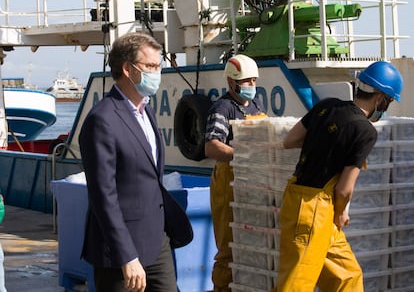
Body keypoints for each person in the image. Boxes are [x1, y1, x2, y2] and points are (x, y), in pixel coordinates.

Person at [273, 61, 403, 292]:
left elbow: (289, 141)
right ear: (381, 98)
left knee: (347, 276)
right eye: (389, 101)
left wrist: (323, 140)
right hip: (315, 212)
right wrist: (341, 212)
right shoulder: (365, 131)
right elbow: (344, 189)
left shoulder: (327, 106)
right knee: (295, 284)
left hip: (298, 199)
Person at [79, 32, 192, 292]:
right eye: (151, 66)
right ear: (128, 69)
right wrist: (127, 257)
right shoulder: (102, 120)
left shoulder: (146, 111)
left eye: (158, 66)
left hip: (156, 242)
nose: (157, 73)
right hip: (121, 253)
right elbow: (103, 196)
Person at [205, 54, 266, 292]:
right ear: (231, 82)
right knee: (229, 245)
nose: (251, 86)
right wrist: (241, 154)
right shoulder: (222, 108)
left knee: (253, 242)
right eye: (246, 81)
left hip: (253, 180)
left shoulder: (256, 105)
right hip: (228, 181)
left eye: (253, 81)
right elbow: (211, 146)